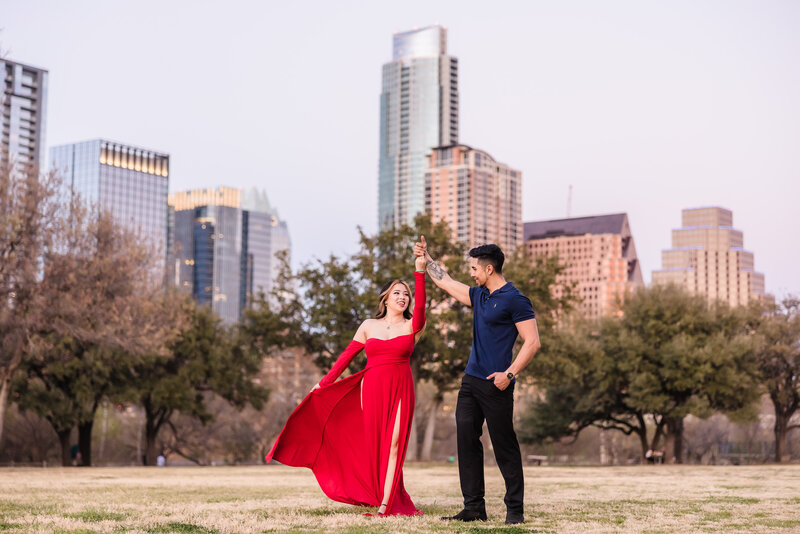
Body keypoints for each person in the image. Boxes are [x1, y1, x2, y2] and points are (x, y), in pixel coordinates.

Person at [265, 251, 428, 517]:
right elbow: (345, 358)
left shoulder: (412, 325)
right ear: (386, 298)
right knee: (376, 445)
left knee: (395, 442)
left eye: (406, 294)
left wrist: (419, 271)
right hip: (372, 387)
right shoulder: (368, 325)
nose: (402, 297)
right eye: (397, 293)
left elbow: (420, 309)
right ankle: (380, 494)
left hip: (401, 387)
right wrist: (323, 383)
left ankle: (387, 504)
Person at [414, 236, 541, 525]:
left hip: (498, 383)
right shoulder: (479, 295)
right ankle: (473, 508)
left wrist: (508, 375)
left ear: (489, 270)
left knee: (504, 444)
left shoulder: (516, 300)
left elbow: (532, 342)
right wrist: (426, 257)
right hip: (471, 382)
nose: (471, 273)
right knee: (466, 440)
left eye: (474, 268)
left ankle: (515, 511)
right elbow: (445, 281)